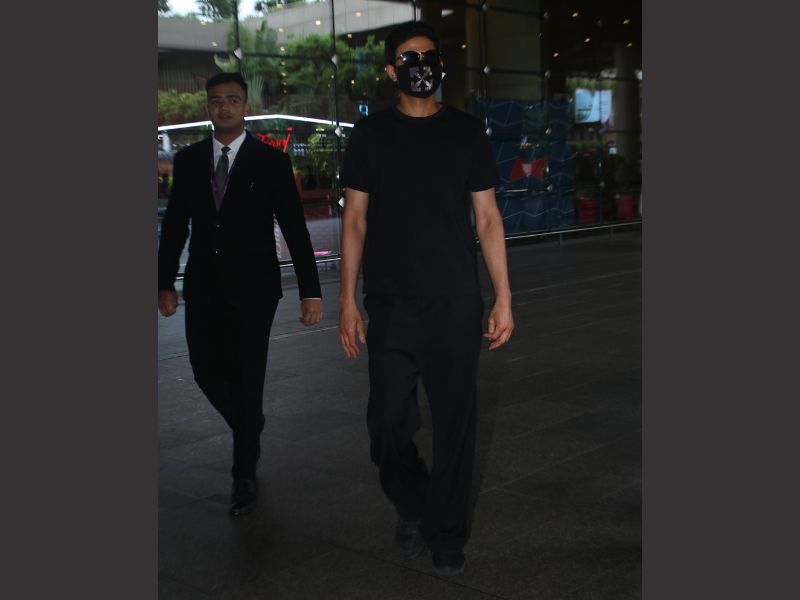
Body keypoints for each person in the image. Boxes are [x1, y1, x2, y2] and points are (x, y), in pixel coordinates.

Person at [338, 21, 514, 576]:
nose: (421, 65)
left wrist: (503, 297)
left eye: (429, 56)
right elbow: (355, 220)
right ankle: (414, 502)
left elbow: (488, 218)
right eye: (409, 57)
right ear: (392, 70)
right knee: (387, 424)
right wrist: (347, 300)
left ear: (440, 65)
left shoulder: (466, 132)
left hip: (455, 301)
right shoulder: (370, 135)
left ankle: (446, 533)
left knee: (456, 423)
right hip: (391, 302)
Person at [158, 72, 323, 517]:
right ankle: (250, 423)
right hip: (203, 287)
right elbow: (175, 226)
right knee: (204, 370)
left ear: (245, 107)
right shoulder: (190, 161)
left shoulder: (271, 162)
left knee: (248, 377)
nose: (224, 107)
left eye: (232, 99)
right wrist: (164, 282)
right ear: (207, 108)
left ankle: (243, 475)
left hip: (255, 290)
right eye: (216, 100)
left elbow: (295, 229)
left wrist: (311, 291)